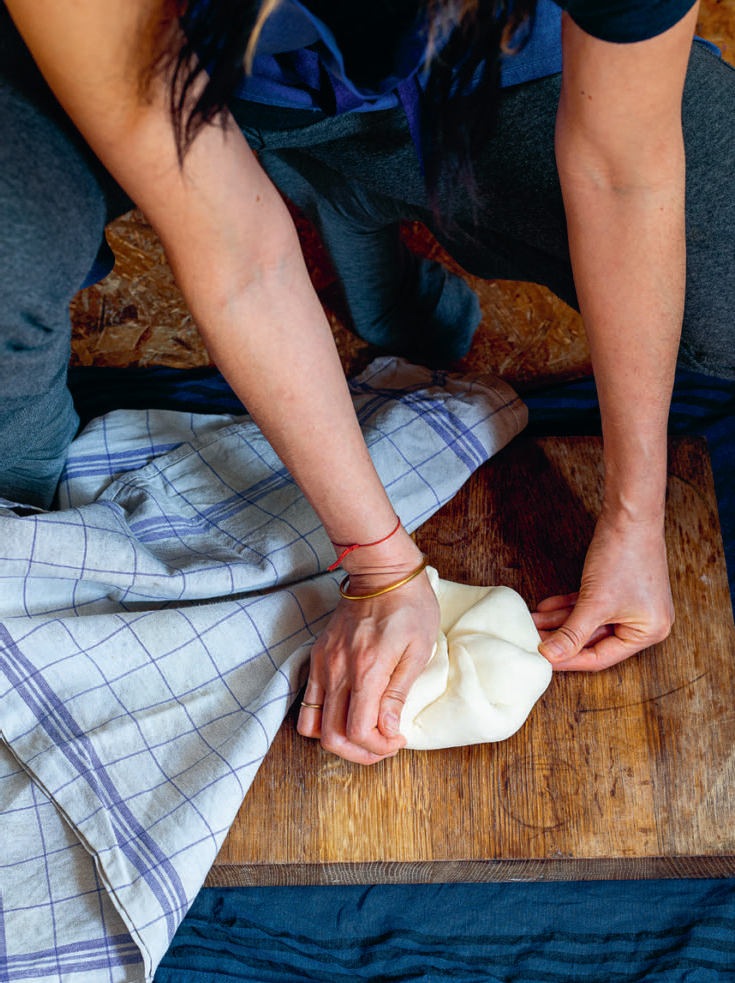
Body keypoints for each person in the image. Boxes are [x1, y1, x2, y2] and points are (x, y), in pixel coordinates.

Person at [0, 0, 721, 766]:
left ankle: (357, 210)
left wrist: (634, 514)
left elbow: (625, 176)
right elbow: (239, 254)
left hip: (486, 76)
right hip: (175, 68)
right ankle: (24, 548)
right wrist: (379, 564)